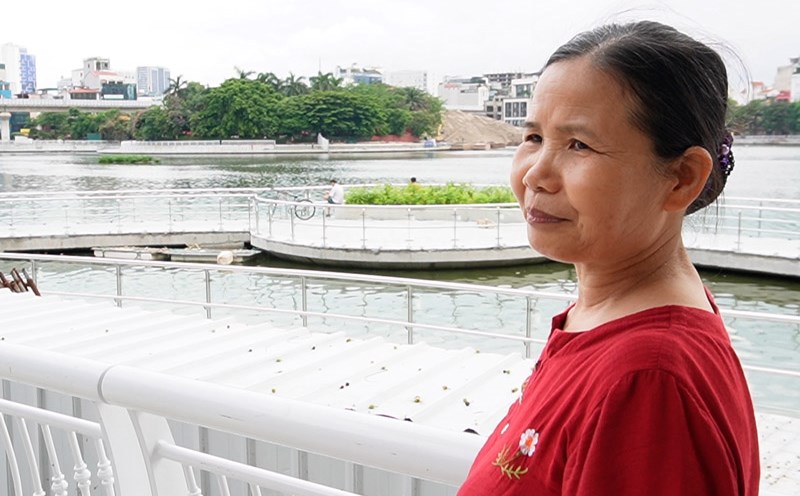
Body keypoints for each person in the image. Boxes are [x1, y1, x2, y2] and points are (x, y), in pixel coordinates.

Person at [457, 21, 759, 495]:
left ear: (682, 177)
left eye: (579, 145)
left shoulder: (649, 382)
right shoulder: (605, 322)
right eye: (533, 137)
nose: (535, 175)